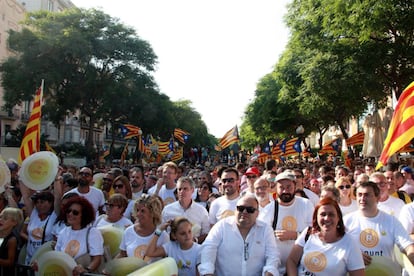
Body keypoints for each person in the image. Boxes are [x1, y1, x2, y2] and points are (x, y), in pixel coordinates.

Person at [198, 195, 280, 276]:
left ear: (257, 213)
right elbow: (208, 249)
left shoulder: (265, 230)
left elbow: (272, 255)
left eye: (250, 210)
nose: (244, 212)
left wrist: (269, 272)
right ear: (235, 210)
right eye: (240, 208)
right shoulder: (221, 226)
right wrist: (208, 272)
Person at [344, 181, 414, 271]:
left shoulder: (391, 221)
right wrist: (353, 254)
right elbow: (336, 247)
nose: (362, 198)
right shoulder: (346, 221)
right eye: (359, 195)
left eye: (367, 195)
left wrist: (411, 255)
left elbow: (408, 246)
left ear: (377, 198)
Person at [286, 198, 365, 276]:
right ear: (316, 217)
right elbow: (292, 261)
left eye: (331, 214)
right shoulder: (308, 233)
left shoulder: (349, 243)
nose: (327, 218)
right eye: (323, 214)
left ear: (338, 218)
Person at [273, 171, 313, 275]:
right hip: (277, 269)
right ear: (275, 189)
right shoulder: (270, 209)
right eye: (281, 187)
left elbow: (315, 233)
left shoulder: (306, 204)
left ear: (295, 186)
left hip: (301, 268)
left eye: (289, 187)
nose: (285, 191)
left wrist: (295, 235)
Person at [54, 196, 104, 275]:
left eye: (75, 212)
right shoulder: (63, 232)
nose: (70, 214)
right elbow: (57, 256)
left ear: (84, 215)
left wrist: (86, 270)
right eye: (68, 211)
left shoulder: (93, 233)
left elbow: (97, 259)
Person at [117, 194, 169, 261]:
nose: (138, 214)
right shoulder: (128, 231)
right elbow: (122, 255)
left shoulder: (163, 236)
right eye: (137, 210)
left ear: (153, 213)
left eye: (143, 211)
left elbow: (167, 260)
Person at [161, 177, 210, 243]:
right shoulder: (167, 210)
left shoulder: (201, 210)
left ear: (192, 190)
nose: (182, 192)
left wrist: (194, 240)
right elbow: (160, 231)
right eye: (179, 189)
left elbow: (206, 233)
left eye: (185, 189)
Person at [0, 207, 24, 275]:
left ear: (14, 223)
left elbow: (10, 262)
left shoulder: (12, 240)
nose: (1, 220)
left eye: (5, 218)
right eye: (0, 217)